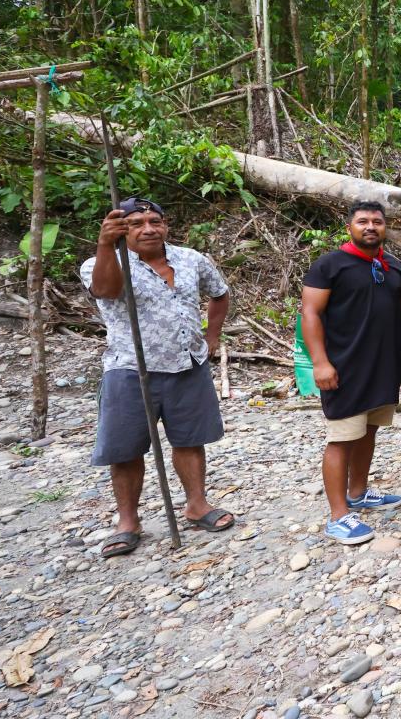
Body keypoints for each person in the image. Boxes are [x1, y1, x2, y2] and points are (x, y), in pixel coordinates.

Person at [81, 198, 234, 558]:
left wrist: (211, 338)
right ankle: (128, 522)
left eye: (154, 221)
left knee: (190, 439)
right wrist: (106, 244)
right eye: (136, 223)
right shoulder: (102, 262)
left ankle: (197, 505)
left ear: (166, 224)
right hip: (130, 367)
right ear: (122, 228)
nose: (148, 228)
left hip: (187, 363)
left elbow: (220, 293)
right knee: (125, 448)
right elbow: (105, 291)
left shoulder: (190, 259)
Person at [301, 201, 401, 546]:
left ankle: (359, 492)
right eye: (362, 221)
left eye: (377, 221)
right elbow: (310, 314)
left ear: (385, 227)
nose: (370, 226)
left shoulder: (392, 266)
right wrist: (320, 362)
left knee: (369, 429)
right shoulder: (330, 265)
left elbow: (399, 305)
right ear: (349, 227)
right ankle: (338, 516)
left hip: (382, 365)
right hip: (344, 367)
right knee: (342, 436)